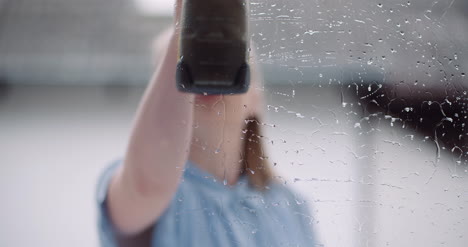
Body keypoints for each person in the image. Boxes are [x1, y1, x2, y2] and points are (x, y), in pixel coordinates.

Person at [96, 1, 316, 246]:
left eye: (226, 57)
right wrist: (184, 27)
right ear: (157, 103)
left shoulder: (290, 205)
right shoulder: (149, 189)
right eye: (187, 62)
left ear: (257, 96)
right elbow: (147, 186)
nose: (208, 69)